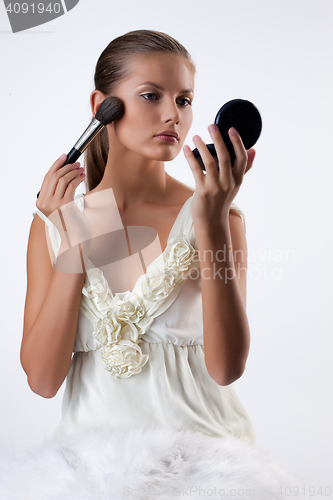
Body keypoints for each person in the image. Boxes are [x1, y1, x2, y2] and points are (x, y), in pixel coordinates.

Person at [1, 30, 307, 500]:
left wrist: (210, 224)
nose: (173, 115)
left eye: (184, 100)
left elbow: (226, 367)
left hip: (211, 471)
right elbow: (42, 381)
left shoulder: (217, 215)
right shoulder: (58, 222)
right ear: (101, 104)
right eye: (151, 96)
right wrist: (74, 246)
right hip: (86, 475)